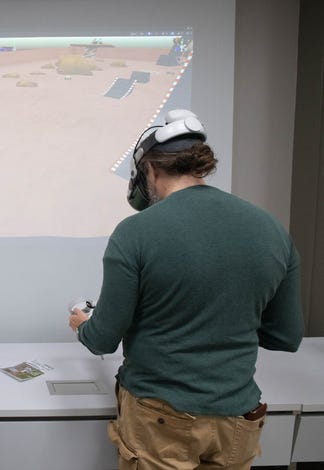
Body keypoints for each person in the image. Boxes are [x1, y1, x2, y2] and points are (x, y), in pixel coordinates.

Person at [68, 109, 303, 470]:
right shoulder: (270, 228)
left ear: (149, 169)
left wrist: (83, 323)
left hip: (160, 415)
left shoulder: (136, 232)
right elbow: (285, 336)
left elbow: (102, 340)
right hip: (238, 415)